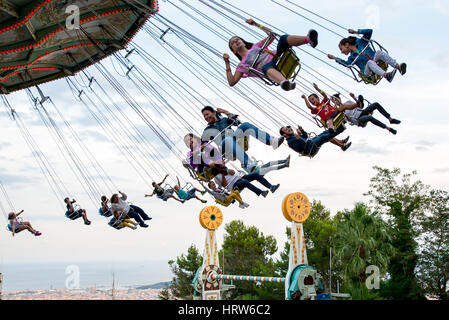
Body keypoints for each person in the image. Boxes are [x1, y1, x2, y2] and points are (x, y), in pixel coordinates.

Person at [224, 18, 318, 91]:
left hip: (278, 56)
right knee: (266, 68)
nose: (236, 41)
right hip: (270, 67)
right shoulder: (242, 65)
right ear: (234, 51)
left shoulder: (256, 46)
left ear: (243, 42)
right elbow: (232, 82)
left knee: (283, 38)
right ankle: (285, 83)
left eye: (237, 39)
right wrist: (227, 63)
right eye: (233, 43)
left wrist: (256, 24)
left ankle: (308, 39)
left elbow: (271, 35)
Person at [201, 106, 285, 172]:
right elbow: (202, 144)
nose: (206, 117)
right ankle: (248, 163)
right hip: (223, 147)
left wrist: (225, 112)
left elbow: (237, 122)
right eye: (204, 116)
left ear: (214, 112)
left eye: (207, 114)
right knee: (228, 139)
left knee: (245, 125)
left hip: (233, 138)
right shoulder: (207, 130)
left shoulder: (224, 120)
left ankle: (272, 141)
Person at [327, 28, 406, 83]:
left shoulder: (361, 42)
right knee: (369, 62)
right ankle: (387, 76)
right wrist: (334, 58)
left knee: (378, 52)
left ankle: (398, 67)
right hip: (367, 72)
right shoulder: (351, 57)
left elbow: (369, 31)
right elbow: (347, 64)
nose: (341, 52)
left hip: (375, 62)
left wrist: (356, 32)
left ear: (347, 44)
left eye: (341, 49)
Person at [333, 93, 401, 135]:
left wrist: (353, 97)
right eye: (334, 101)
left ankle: (390, 119)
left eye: (337, 99)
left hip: (361, 112)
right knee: (369, 118)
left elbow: (358, 105)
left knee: (375, 104)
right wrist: (345, 116)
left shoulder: (347, 102)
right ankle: (389, 128)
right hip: (358, 120)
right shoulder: (339, 112)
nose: (336, 101)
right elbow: (350, 121)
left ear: (339, 98)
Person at [279, 125, 351, 157]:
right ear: (284, 135)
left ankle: (341, 144)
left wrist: (301, 130)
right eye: (286, 130)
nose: (288, 129)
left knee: (324, 133)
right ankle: (341, 128)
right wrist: (299, 139)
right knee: (323, 137)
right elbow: (302, 148)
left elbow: (305, 136)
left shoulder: (293, 135)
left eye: (287, 128)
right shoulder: (290, 142)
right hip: (309, 149)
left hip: (310, 142)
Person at [214, 168, 280, 198]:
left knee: (255, 175)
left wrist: (226, 170)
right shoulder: (216, 178)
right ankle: (261, 192)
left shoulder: (224, 168)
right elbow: (225, 185)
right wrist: (222, 174)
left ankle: (271, 187)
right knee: (244, 182)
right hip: (234, 185)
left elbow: (233, 172)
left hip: (240, 177)